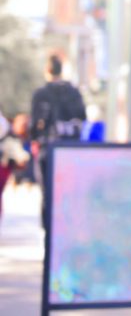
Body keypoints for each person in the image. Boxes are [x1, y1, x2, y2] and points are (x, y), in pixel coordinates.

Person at [30, 54, 87, 227]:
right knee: (68, 193)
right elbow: (83, 120)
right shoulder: (74, 93)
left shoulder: (41, 94)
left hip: (48, 150)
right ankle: (67, 230)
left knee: (48, 193)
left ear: (47, 70)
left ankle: (49, 234)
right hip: (71, 150)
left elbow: (34, 126)